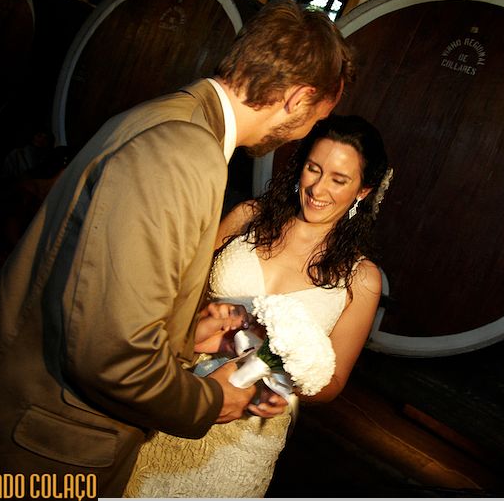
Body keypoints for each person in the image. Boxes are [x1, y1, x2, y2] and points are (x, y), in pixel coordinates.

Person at [0, 0, 355, 498]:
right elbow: (109, 354)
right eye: (315, 117)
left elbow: (96, 286)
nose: (305, 133)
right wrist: (209, 401)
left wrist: (187, 335)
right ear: (298, 97)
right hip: (37, 447)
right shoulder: (184, 152)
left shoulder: (170, 114)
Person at [123, 114, 392, 497]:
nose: (317, 188)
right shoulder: (248, 219)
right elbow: (176, 290)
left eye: (339, 179)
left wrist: (286, 372)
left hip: (243, 440)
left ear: (362, 191)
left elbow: (330, 385)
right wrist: (198, 325)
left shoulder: (361, 279)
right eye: (313, 169)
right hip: (177, 388)